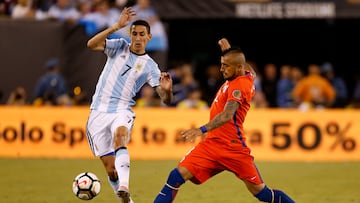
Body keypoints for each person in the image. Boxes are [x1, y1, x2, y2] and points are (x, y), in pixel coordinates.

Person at [153, 38, 295, 203]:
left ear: (239, 67)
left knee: (262, 194)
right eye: (222, 64)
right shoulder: (244, 77)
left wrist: (201, 129)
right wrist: (229, 51)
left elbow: (227, 115)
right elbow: (250, 71)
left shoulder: (239, 86)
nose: (221, 69)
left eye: (226, 65)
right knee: (176, 176)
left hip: (232, 148)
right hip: (212, 145)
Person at [85, 7, 173, 203]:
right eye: (134, 33)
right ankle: (127, 199)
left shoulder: (150, 66)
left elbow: (166, 100)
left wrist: (167, 91)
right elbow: (91, 45)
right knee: (110, 169)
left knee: (120, 137)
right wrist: (116, 26)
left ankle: (124, 185)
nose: (138, 37)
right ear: (130, 34)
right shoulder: (118, 46)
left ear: (149, 37)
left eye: (142, 34)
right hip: (98, 112)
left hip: (122, 109)